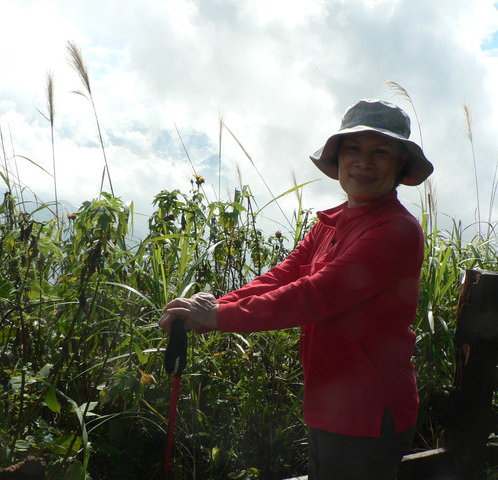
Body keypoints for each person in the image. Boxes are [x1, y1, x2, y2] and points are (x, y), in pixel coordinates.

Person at [159, 99, 434, 479]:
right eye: (353, 149)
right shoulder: (330, 223)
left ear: (401, 164)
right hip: (330, 403)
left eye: (381, 152)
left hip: (369, 412)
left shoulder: (396, 230)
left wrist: (216, 316)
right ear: (339, 158)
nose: (364, 162)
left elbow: (314, 294)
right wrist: (216, 307)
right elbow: (283, 276)